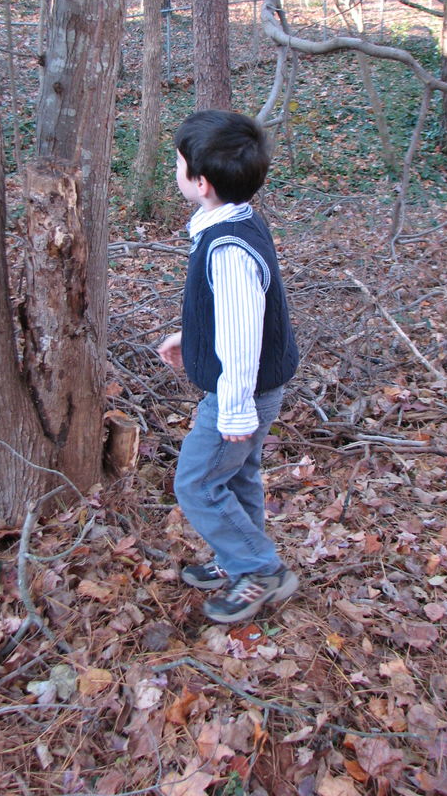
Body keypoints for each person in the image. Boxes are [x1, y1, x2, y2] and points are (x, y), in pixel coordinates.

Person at [158, 109, 300, 623]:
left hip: (240, 393)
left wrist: (234, 411)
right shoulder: (236, 217)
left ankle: (259, 570)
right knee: (238, 477)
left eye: (176, 164)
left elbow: (241, 337)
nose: (173, 172)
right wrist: (190, 336)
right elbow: (232, 311)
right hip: (255, 388)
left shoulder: (229, 248)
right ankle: (237, 558)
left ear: (201, 182)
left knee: (196, 483)